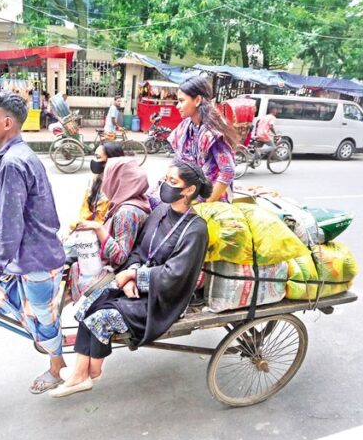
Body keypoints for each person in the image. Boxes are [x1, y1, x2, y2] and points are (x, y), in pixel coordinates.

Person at [51, 161, 211, 397]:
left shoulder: (196, 230)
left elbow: (175, 275)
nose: (165, 185)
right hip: (138, 285)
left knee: (101, 316)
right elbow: (137, 250)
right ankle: (81, 373)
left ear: (188, 190)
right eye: (165, 178)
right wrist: (130, 277)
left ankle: (90, 373)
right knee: (89, 300)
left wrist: (134, 275)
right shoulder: (159, 213)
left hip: (162, 299)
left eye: (173, 182)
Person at [0, 90, 68, 394]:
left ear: (6, 123)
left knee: (44, 321)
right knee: (29, 310)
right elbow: (9, 210)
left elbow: (13, 221)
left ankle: (57, 368)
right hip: (31, 250)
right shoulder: (16, 155)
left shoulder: (13, 162)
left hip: (37, 257)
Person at [67, 156, 151, 303]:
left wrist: (99, 229)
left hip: (115, 272)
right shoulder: (134, 200)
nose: (104, 182)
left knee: (69, 266)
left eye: (108, 177)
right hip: (112, 265)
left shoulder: (127, 212)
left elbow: (119, 258)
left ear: (118, 181)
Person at [168, 75, 239, 203]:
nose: (177, 106)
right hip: (190, 192)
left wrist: (206, 204)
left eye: (181, 101)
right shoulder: (185, 127)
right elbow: (178, 159)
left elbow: (228, 171)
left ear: (197, 100)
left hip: (211, 197)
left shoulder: (212, 132)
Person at [74, 141, 125, 226]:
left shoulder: (123, 188)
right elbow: (85, 212)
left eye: (98, 157)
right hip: (92, 228)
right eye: (95, 156)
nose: (94, 161)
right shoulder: (95, 181)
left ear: (111, 161)